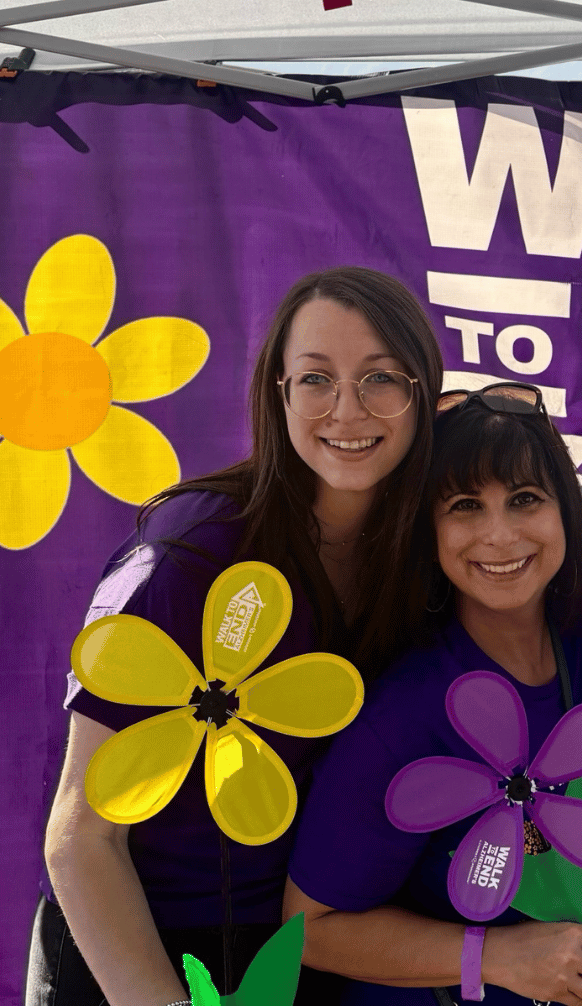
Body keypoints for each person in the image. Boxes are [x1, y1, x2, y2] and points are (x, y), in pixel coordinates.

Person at [28, 267, 444, 1006]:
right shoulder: (191, 551)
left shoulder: (423, 557)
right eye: (316, 379)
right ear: (277, 393)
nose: (347, 408)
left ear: (422, 393)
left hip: (292, 958)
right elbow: (81, 840)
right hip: (132, 955)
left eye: (381, 377)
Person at [284, 382, 582, 1006]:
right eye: (464, 505)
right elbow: (310, 931)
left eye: (525, 498)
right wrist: (496, 957)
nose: (500, 535)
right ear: (427, 528)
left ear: (565, 508)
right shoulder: (405, 710)